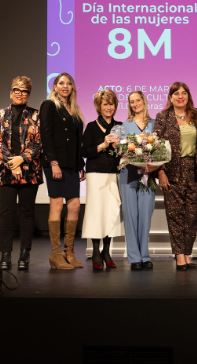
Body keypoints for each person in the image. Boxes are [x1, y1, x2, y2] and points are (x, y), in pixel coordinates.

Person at [153, 82, 197, 271]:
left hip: (194, 170)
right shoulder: (163, 117)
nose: (180, 96)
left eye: (184, 93)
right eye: (176, 93)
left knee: (193, 215)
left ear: (188, 96)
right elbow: (156, 146)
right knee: (175, 215)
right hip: (172, 172)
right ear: (170, 97)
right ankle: (180, 256)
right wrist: (160, 172)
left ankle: (187, 252)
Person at [0, 76, 42, 270]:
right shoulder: (0, 114)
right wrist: (13, 163)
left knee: (27, 213)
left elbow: (38, 142)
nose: (20, 94)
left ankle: (24, 255)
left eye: (24, 91)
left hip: (30, 171)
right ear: (10, 92)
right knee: (6, 213)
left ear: (29, 94)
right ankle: (5, 255)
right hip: (5, 171)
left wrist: (22, 159)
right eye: (17, 90)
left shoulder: (36, 115)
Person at [40, 72, 86, 270]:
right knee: (57, 205)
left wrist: (80, 165)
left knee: (74, 205)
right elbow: (46, 135)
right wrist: (53, 162)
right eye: (61, 83)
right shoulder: (49, 105)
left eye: (69, 83)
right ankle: (55, 254)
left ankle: (70, 252)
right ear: (55, 86)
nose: (65, 86)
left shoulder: (74, 109)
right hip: (56, 163)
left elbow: (77, 141)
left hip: (72, 164)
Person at [81, 89, 124, 270]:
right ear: (99, 106)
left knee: (110, 212)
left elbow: (125, 152)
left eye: (111, 104)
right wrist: (102, 145)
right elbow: (84, 151)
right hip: (95, 174)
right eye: (105, 104)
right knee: (96, 213)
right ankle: (96, 252)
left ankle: (107, 251)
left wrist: (118, 146)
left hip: (113, 173)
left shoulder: (120, 126)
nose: (108, 107)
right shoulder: (91, 126)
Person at [114, 91, 157, 271]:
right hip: (128, 175)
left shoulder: (155, 124)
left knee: (145, 216)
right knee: (131, 216)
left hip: (148, 175)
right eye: (131, 102)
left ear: (144, 101)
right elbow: (119, 151)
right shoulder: (124, 126)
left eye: (138, 100)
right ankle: (134, 258)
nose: (135, 104)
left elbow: (161, 149)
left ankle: (145, 256)